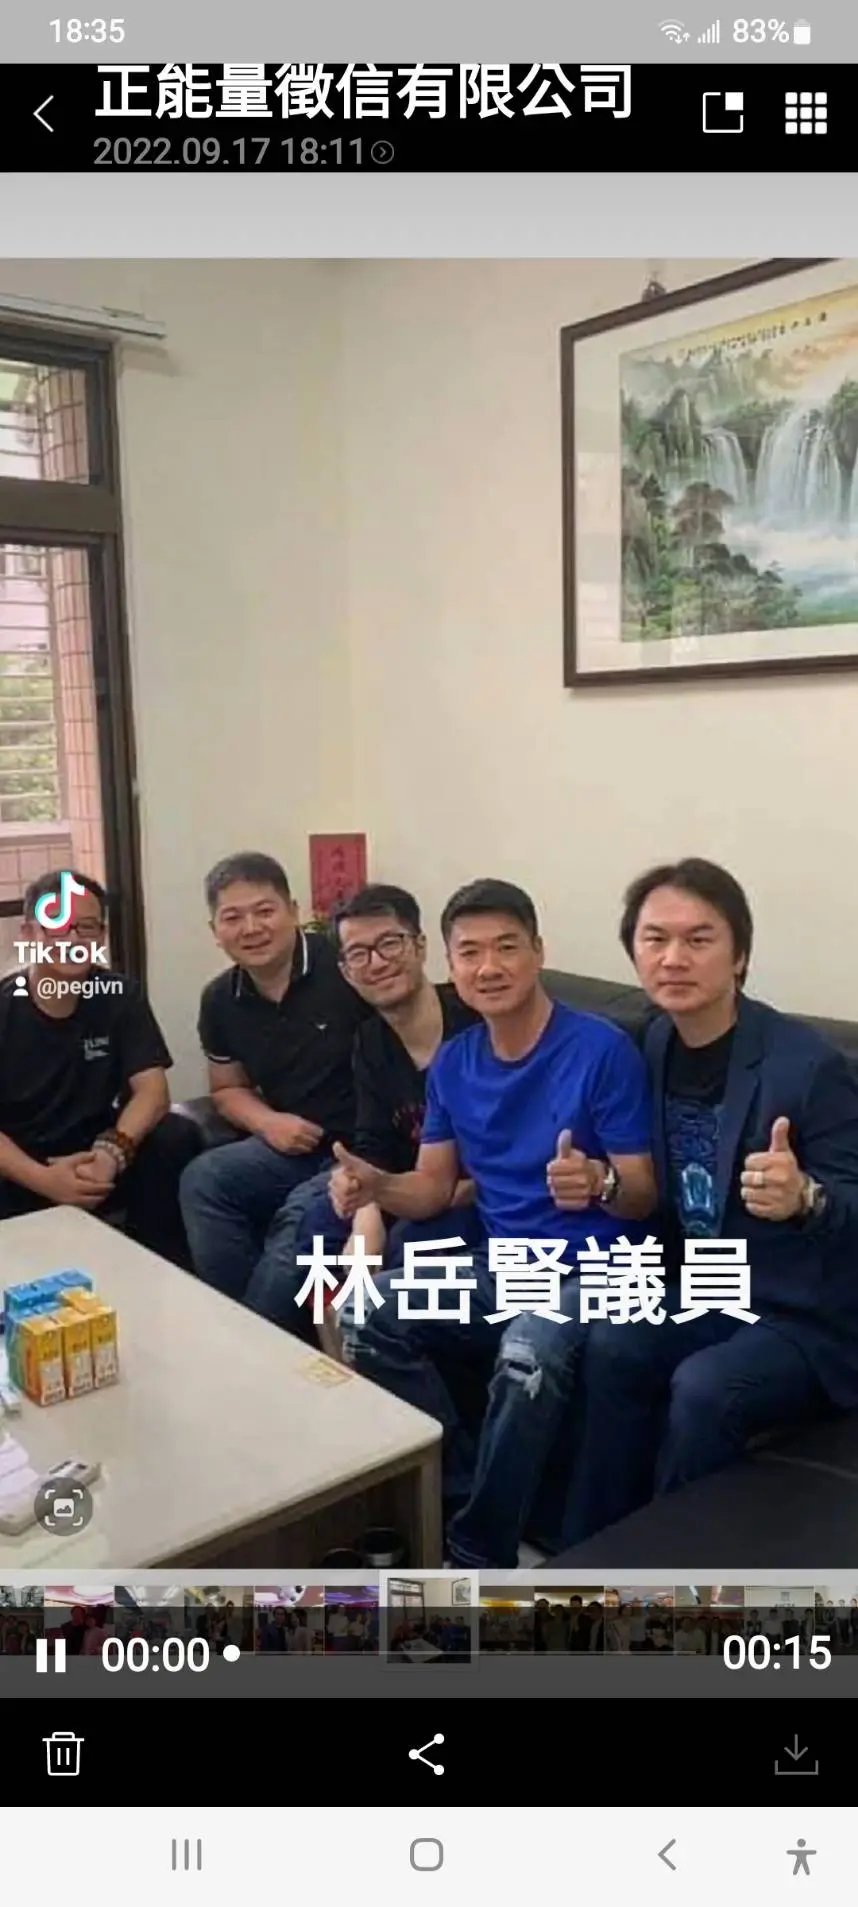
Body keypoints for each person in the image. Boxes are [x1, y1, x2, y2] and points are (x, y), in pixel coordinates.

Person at [331, 877, 656, 1566]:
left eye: (507, 947)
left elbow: (644, 1194)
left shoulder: (601, 1050)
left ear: (539, 952)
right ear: (450, 965)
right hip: (508, 1267)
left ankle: (477, 1554)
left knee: (526, 1352)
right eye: (471, 952)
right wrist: (376, 1185)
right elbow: (431, 1187)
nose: (489, 966)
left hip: (603, 1270)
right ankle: (460, 1496)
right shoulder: (455, 1062)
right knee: (361, 1311)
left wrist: (599, 1181)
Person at [555, 857, 858, 1548]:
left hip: (803, 1315)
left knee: (704, 1387)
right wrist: (601, 1181)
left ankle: (672, 1570)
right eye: (655, 939)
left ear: (740, 954)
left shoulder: (807, 1066)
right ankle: (586, 1554)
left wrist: (806, 1197)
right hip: (709, 1290)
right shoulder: (653, 1041)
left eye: (699, 939)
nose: (674, 958)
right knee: (614, 1341)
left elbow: (849, 1203)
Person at [243, 882, 482, 1335]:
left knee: (406, 1246)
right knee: (314, 1229)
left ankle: (368, 1358)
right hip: (401, 1189)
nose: (376, 962)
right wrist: (366, 1213)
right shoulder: (370, 1042)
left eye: (390, 943)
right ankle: (319, 1362)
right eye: (358, 953)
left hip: (469, 1199)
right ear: (346, 971)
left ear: (420, 946)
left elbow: (511, 1153)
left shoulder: (475, 1026)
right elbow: (373, 1144)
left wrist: (414, 1200)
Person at [179, 853, 369, 1307]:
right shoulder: (220, 999)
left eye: (264, 911)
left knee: (298, 1220)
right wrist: (269, 1123)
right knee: (203, 1179)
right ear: (215, 930)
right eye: (233, 917)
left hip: (361, 1152)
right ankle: (238, 1319)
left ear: (294, 911)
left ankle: (247, 1334)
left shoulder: (347, 967)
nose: (251, 928)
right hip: (293, 1148)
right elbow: (227, 1088)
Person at [0, 869, 198, 1266]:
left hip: (97, 1154)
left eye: (86, 927)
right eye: (58, 927)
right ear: (28, 934)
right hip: (20, 1163)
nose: (73, 940)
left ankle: (161, 1270)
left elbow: (153, 1092)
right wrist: (44, 1180)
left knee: (175, 1135)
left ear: (102, 936)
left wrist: (110, 1155)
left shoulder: (119, 996)